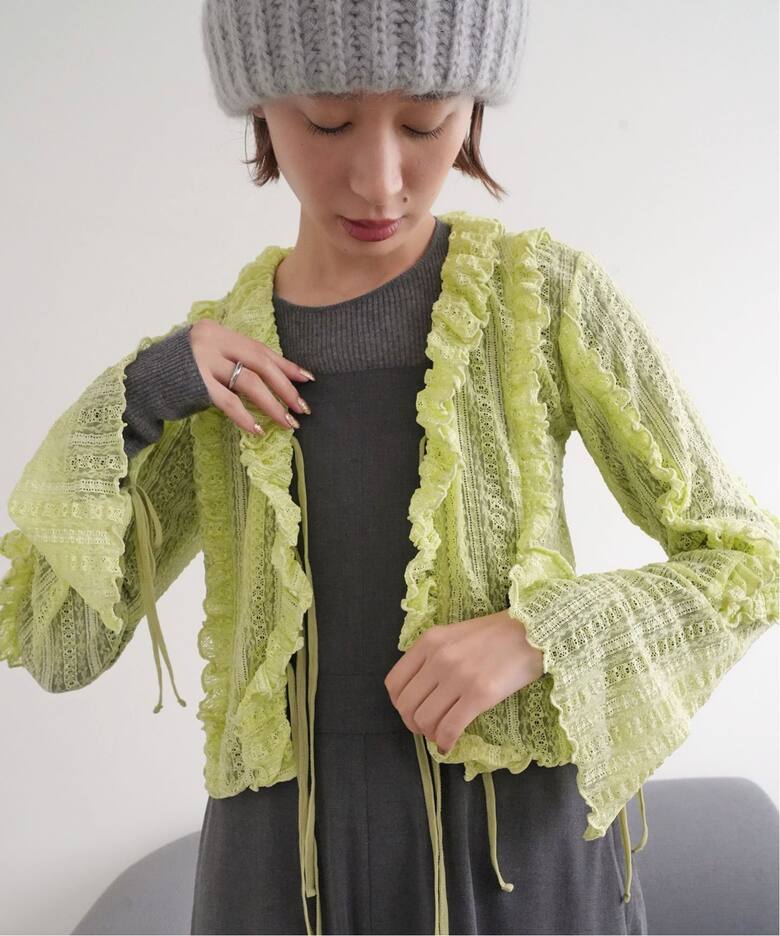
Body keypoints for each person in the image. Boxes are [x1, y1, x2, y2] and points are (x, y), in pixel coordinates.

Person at [2, 2, 777, 935]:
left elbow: (750, 562)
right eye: (328, 122)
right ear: (260, 106)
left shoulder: (544, 300)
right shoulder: (215, 374)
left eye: (425, 122)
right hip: (279, 881)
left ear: (474, 108)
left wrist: (543, 635)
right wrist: (139, 391)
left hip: (518, 869)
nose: (379, 182)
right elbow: (55, 644)